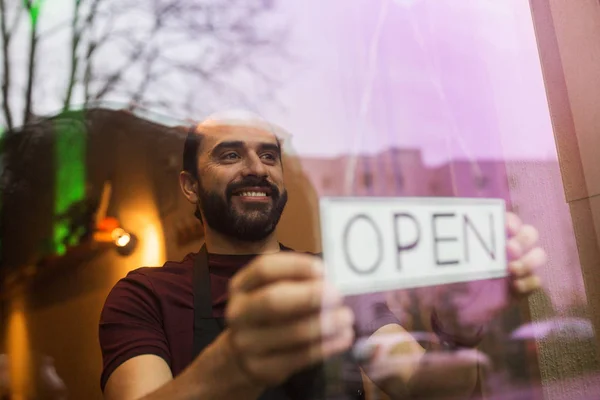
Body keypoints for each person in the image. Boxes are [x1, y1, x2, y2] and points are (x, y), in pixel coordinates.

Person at [99, 116, 546, 400]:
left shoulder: (337, 279)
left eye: (268, 155)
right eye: (230, 154)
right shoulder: (144, 295)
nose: (256, 168)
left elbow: (419, 385)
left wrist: (459, 328)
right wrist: (237, 362)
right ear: (190, 186)